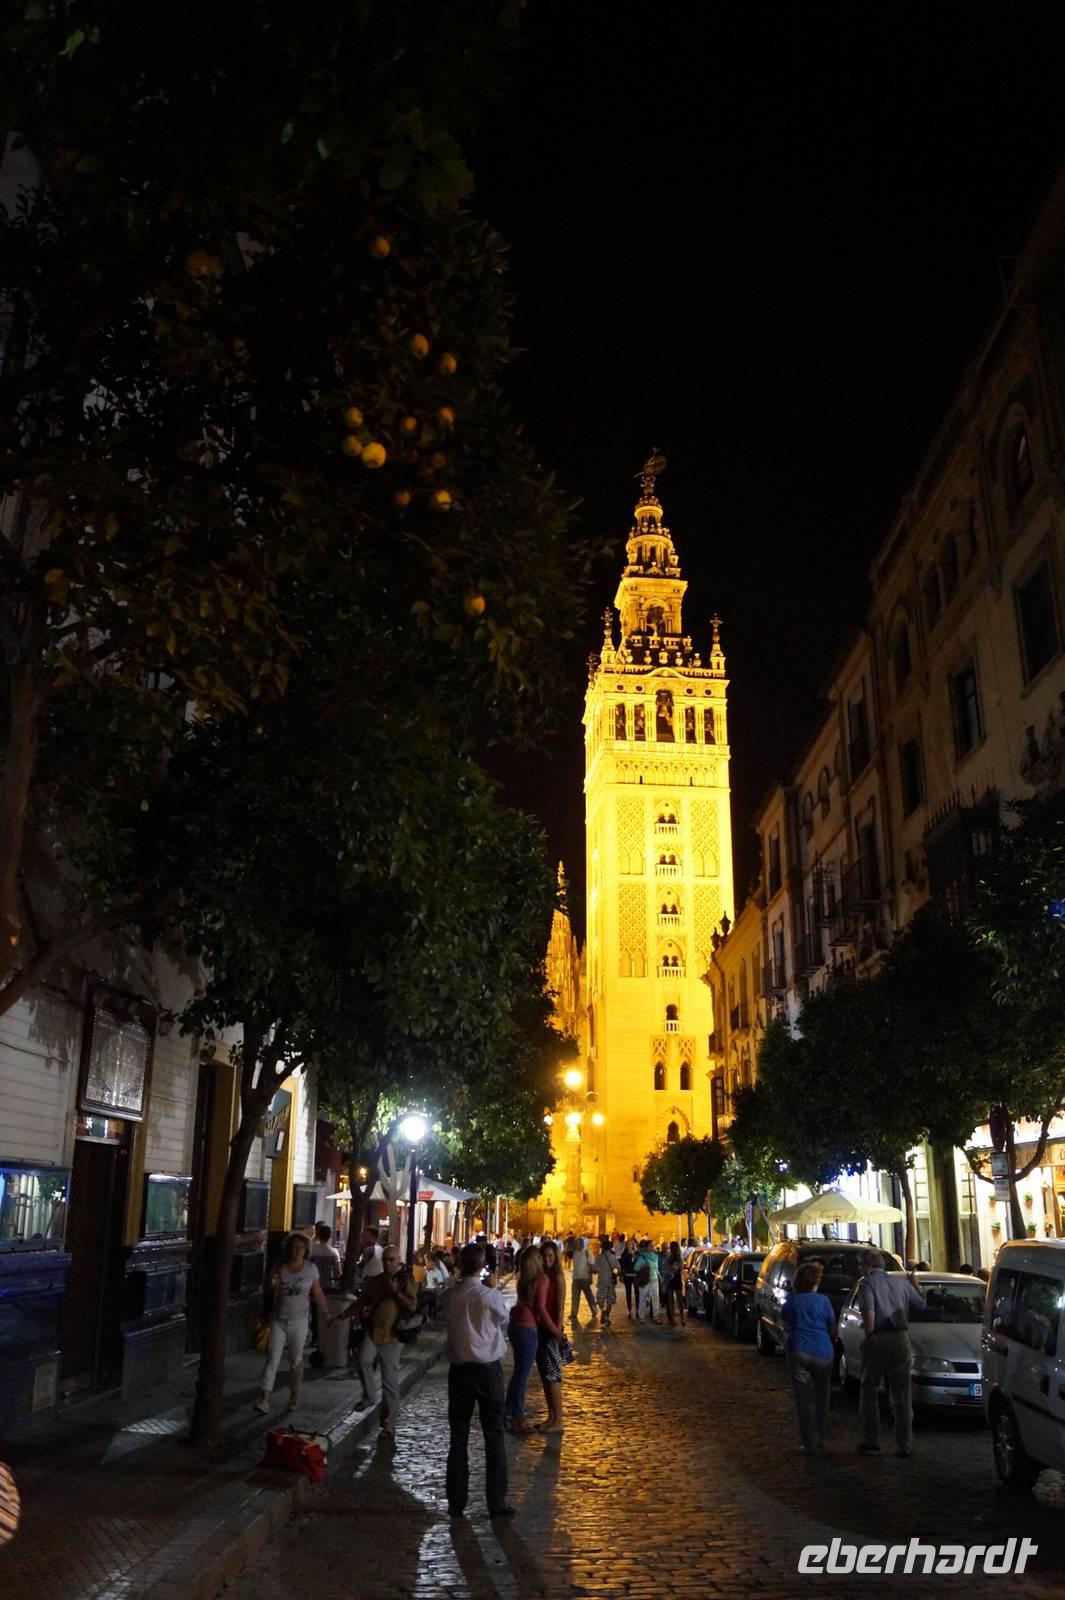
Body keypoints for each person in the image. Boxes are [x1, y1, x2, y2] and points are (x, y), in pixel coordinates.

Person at [444, 1242, 514, 1519]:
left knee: (458, 1435)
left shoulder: (450, 1296)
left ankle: (456, 1502)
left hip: (460, 1370)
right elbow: (504, 1320)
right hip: (486, 1369)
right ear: (482, 1266)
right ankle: (496, 1501)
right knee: (494, 1434)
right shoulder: (489, 1296)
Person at [855, 1246, 926, 1457]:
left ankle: (871, 1439)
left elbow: (869, 1311)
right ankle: (904, 1444)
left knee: (869, 1389)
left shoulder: (867, 1284)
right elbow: (920, 1304)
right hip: (901, 1338)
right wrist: (916, 1285)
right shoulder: (900, 1283)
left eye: (861, 1265)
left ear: (868, 1266)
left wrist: (869, 1335)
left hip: (880, 1336)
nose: (860, 1269)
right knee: (902, 1394)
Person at [255, 1231, 330, 1415]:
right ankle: (264, 1398)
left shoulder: (311, 1269)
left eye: (301, 1248)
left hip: (300, 1320)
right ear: (288, 1249)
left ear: (306, 1250)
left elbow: (317, 1292)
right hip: (278, 1319)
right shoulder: (280, 1267)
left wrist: (326, 1313)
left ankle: (294, 1396)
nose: (297, 1251)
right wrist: (271, 1284)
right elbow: (268, 1288)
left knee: (296, 1360)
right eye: (294, 1248)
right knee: (272, 1358)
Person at [355, 1244, 417, 1437]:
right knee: (363, 1360)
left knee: (389, 1381)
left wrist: (395, 1292)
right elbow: (362, 1301)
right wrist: (340, 1317)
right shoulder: (376, 1281)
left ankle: (388, 1424)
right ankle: (370, 1396)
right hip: (374, 1332)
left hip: (393, 1336)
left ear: (398, 1259)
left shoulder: (406, 1280)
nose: (388, 1263)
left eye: (391, 1260)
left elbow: (412, 1305)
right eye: (385, 1260)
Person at [782, 1260, 837, 1454]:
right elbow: (832, 1325)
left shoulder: (791, 1302)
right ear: (815, 1282)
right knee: (822, 1397)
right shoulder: (823, 1301)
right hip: (823, 1351)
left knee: (804, 1399)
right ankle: (822, 1437)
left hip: (799, 1350)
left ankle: (808, 1442)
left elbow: (786, 1324)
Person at [506, 1245, 551, 1433]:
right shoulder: (542, 1279)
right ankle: (517, 1417)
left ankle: (510, 1414)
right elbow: (540, 1307)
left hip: (515, 1325)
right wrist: (553, 1329)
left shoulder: (524, 1279)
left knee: (518, 1373)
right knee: (522, 1375)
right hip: (528, 1327)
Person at [535, 1240, 567, 1432]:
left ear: (555, 1258)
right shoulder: (542, 1276)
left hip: (552, 1330)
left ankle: (559, 1420)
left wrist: (558, 1329)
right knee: (546, 1375)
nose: (547, 1260)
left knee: (553, 1376)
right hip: (541, 1328)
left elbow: (561, 1307)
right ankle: (551, 1416)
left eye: (550, 1256)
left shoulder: (557, 1277)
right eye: (544, 1256)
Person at [570, 1235, 597, 1326]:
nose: (575, 1245)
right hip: (576, 1277)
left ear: (581, 1244)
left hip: (585, 1277)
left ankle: (594, 1310)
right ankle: (574, 1313)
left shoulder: (587, 1252)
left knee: (589, 1296)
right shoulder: (574, 1253)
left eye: (577, 1244)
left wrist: (590, 1276)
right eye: (575, 1244)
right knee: (575, 1296)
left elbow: (592, 1264)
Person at [594, 1236, 619, 1327]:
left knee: (600, 1299)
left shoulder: (599, 1258)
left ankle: (603, 1311)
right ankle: (607, 1316)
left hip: (601, 1282)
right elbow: (618, 1269)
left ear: (602, 1248)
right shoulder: (613, 1257)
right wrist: (615, 1272)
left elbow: (595, 1270)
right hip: (611, 1282)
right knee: (609, 1300)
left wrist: (596, 1270)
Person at [635, 1238, 661, 1323]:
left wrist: (660, 1277)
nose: (652, 1247)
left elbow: (656, 1269)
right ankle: (641, 1317)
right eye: (650, 1246)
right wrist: (643, 1266)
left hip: (654, 1280)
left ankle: (655, 1316)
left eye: (653, 1246)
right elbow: (635, 1268)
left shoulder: (656, 1256)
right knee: (642, 1298)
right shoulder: (642, 1257)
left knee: (655, 1299)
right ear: (646, 1247)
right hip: (645, 1281)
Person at [309, 1222, 341, 1289]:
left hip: (313, 1284)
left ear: (318, 1235)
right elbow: (337, 1271)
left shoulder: (311, 1250)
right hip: (327, 1284)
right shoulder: (334, 1252)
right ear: (330, 1236)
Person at [663, 1241, 686, 1327]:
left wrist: (672, 1269)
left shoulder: (675, 1258)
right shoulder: (675, 1258)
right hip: (674, 1279)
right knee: (677, 1300)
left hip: (673, 1279)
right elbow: (677, 1268)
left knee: (672, 1301)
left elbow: (676, 1268)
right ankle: (680, 1318)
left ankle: (675, 1319)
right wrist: (674, 1268)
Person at [619, 1236, 639, 1319]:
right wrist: (622, 1276)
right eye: (628, 1244)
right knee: (628, 1293)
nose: (629, 1245)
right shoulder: (624, 1254)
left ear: (633, 1245)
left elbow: (639, 1264)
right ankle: (630, 1310)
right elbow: (622, 1266)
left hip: (635, 1276)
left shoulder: (636, 1254)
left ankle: (638, 1309)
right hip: (627, 1276)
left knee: (637, 1293)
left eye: (630, 1244)